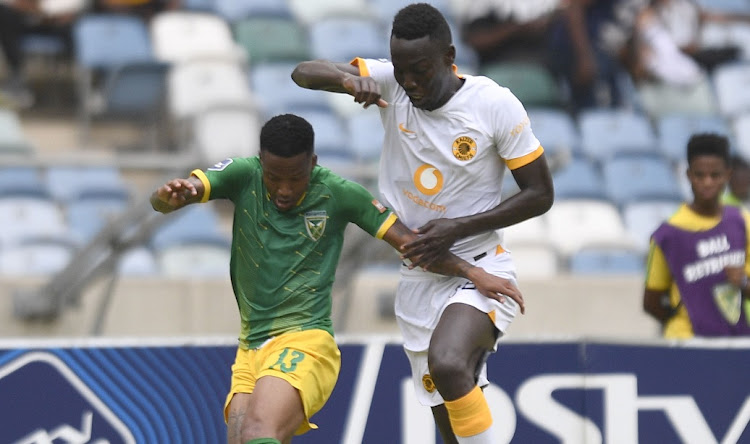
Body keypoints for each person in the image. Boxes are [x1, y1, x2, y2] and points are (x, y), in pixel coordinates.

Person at [150, 113, 525, 444]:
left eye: (294, 178)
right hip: (250, 349)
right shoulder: (243, 174)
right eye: (273, 177)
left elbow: (412, 245)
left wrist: (473, 271)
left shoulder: (339, 194)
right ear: (260, 162)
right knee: (247, 437)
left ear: (312, 163)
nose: (282, 190)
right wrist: (171, 196)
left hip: (306, 341)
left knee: (258, 432)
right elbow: (173, 197)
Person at [291, 4, 554, 443]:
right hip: (418, 274)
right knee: (448, 424)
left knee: (448, 362)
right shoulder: (391, 83)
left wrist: (456, 228)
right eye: (400, 70)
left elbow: (540, 194)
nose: (409, 82)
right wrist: (346, 78)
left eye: (421, 70)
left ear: (449, 55)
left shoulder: (493, 105)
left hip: (480, 266)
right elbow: (303, 71)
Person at [643, 133, 750, 338]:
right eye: (699, 175)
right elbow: (651, 302)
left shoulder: (743, 222)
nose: (707, 183)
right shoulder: (666, 234)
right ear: (688, 175)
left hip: (736, 341)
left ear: (727, 175)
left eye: (715, 175)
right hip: (688, 344)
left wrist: (743, 283)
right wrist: (684, 324)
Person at [0, 0, 83, 108]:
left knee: (74, 28)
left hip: (58, 23)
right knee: (4, 14)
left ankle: (82, 86)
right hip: (25, 19)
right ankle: (17, 80)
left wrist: (57, 14)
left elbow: (74, 7)